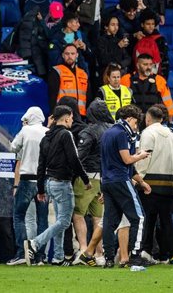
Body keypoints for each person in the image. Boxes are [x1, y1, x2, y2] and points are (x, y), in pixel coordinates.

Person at [23, 105, 90, 266]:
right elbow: (74, 159)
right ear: (66, 118)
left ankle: (58, 256)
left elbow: (41, 165)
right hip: (62, 183)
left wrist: (40, 188)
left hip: (49, 182)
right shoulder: (66, 135)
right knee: (65, 222)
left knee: (59, 220)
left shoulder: (46, 137)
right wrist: (85, 179)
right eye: (72, 118)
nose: (72, 120)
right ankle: (35, 243)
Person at [99, 104, 151, 268]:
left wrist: (141, 183)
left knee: (110, 221)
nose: (136, 127)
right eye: (136, 123)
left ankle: (108, 259)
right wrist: (141, 156)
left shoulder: (107, 133)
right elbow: (127, 160)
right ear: (130, 119)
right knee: (139, 217)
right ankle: (135, 256)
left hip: (107, 181)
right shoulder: (122, 133)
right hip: (120, 180)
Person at [134, 105, 173, 263]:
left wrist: (138, 179)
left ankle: (146, 251)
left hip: (150, 183)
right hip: (169, 184)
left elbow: (144, 157)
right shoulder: (172, 135)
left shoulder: (148, 133)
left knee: (148, 219)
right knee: (167, 220)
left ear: (148, 119)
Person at [73, 98, 114, 265]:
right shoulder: (114, 130)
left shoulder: (88, 132)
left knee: (78, 214)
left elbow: (79, 158)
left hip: (87, 178)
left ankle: (83, 250)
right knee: (98, 217)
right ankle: (99, 255)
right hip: (105, 178)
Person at [8, 107, 49, 265]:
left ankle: (21, 253)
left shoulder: (25, 131)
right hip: (44, 180)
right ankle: (40, 256)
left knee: (19, 216)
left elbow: (13, 147)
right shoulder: (47, 132)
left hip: (26, 179)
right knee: (43, 219)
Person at [120, 53, 173, 120]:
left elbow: (168, 103)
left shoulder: (159, 80)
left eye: (150, 64)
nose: (149, 67)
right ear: (138, 65)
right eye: (145, 64)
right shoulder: (126, 79)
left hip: (154, 119)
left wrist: (170, 122)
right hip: (133, 119)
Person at [48, 43, 90, 116]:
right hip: (63, 115)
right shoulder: (57, 71)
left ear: (77, 55)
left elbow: (89, 96)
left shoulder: (83, 73)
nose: (70, 56)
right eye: (67, 54)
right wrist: (52, 114)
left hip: (81, 116)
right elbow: (52, 95)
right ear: (63, 55)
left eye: (72, 53)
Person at [132, 10, 169, 77]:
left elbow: (164, 61)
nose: (151, 27)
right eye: (148, 24)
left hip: (156, 76)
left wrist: (163, 78)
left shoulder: (160, 40)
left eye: (152, 24)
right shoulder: (137, 38)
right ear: (142, 24)